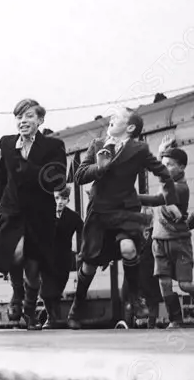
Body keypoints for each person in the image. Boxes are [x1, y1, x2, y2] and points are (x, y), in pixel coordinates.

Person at [70, 105, 177, 328]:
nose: (111, 118)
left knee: (128, 248)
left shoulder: (139, 150)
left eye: (117, 117)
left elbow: (162, 172)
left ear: (129, 127)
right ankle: (77, 306)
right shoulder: (98, 145)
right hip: (99, 213)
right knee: (89, 265)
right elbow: (79, 175)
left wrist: (172, 201)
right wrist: (99, 168)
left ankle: (135, 298)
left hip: (125, 210)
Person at [0, 98, 69, 329]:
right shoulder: (6, 143)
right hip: (12, 209)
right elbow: (3, 173)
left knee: (33, 269)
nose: (23, 121)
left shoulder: (53, 147)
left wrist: (26, 164)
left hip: (39, 212)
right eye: (19, 117)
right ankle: (17, 293)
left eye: (29, 116)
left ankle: (30, 308)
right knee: (14, 254)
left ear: (40, 120)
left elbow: (57, 177)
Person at [137, 135, 191, 329]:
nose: (165, 167)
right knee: (164, 283)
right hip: (159, 240)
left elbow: (156, 199)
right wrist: (161, 154)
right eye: (164, 164)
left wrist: (130, 197)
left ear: (182, 167)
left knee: (185, 285)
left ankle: (176, 318)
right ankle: (175, 319)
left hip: (179, 241)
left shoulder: (180, 188)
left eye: (170, 165)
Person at [39, 186, 84, 329]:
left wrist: (84, 251)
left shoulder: (73, 217)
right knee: (46, 289)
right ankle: (50, 317)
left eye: (63, 199)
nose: (59, 202)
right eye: (57, 198)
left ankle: (51, 314)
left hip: (63, 258)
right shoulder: (45, 214)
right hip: (46, 257)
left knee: (57, 288)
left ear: (68, 200)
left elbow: (84, 232)